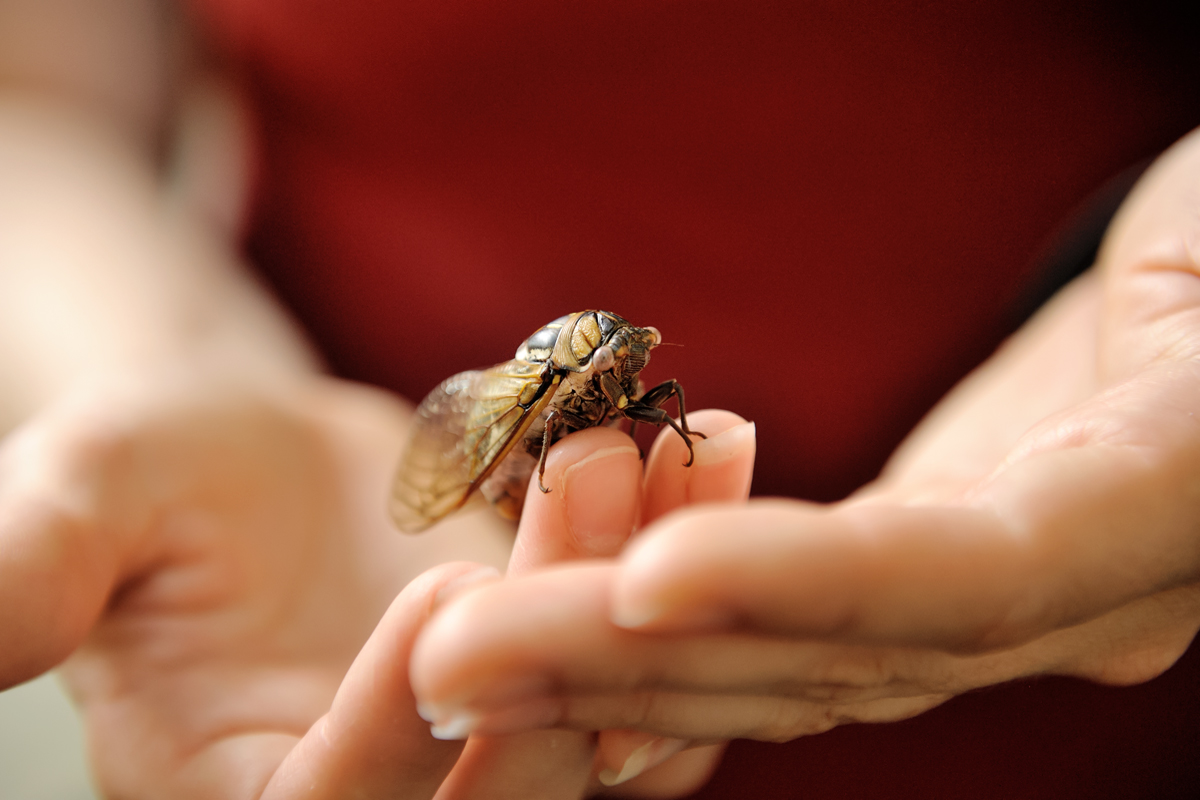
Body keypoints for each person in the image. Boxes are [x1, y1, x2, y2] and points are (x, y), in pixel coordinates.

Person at [0, 1, 1197, 798]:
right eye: (611, 365)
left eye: (627, 365)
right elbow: (36, 95)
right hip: (364, 484)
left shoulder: (635, 375)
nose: (628, 373)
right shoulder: (552, 390)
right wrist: (153, 358)